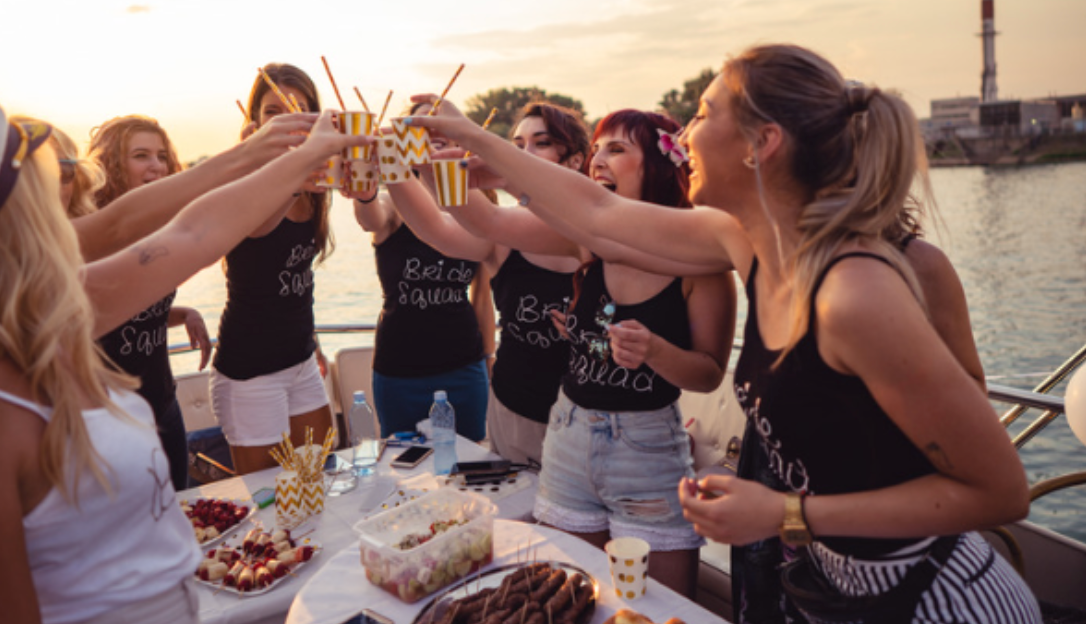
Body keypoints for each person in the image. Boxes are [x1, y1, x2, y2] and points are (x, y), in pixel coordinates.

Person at [409, 44, 1039, 622]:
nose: (683, 133)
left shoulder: (854, 292)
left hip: (934, 598)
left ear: (760, 143)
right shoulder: (745, 244)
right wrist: (476, 145)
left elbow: (1000, 491)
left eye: (704, 113)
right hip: (839, 587)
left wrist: (787, 513)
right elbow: (600, 214)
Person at [0, 93, 364, 624]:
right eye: (52, 170)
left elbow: (189, 231)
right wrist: (290, 157)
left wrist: (282, 154)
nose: (75, 180)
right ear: (17, 209)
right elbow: (138, 228)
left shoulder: (49, 305)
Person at [410, 106, 735, 596]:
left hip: (646, 455)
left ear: (662, 163)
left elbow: (708, 374)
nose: (599, 160)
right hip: (569, 439)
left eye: (618, 149)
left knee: (658, 607)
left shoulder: (703, 261)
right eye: (597, 149)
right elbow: (488, 218)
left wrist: (656, 351)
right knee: (570, 603)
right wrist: (429, 173)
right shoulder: (586, 241)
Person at [385, 101, 591, 466]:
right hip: (517, 412)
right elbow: (437, 228)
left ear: (576, 160)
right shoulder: (503, 230)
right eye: (517, 145)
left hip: (595, 415)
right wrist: (393, 162)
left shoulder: (600, 232)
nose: (523, 154)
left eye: (540, 143)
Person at [207, 63, 335, 475]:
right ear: (255, 122)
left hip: (299, 360)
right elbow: (258, 227)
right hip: (250, 371)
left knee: (317, 474)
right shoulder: (244, 179)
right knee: (268, 499)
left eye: (300, 109)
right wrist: (295, 179)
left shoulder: (315, 186)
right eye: (273, 112)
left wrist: (312, 341)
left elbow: (299, 280)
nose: (289, 121)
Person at [347, 100, 495, 441]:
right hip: (400, 371)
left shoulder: (481, 210)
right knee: (404, 473)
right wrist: (365, 194)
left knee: (468, 466)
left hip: (464, 366)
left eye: (440, 125)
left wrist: (488, 360)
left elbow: (483, 299)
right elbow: (370, 218)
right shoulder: (395, 205)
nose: (432, 133)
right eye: (420, 127)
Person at [88, 115, 212, 490]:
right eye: (141, 155)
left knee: (180, 514)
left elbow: (133, 303)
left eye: (161, 155)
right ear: (109, 165)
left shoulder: (158, 230)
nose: (156, 165)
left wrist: (181, 313)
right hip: (111, 419)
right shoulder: (91, 235)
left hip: (164, 405)